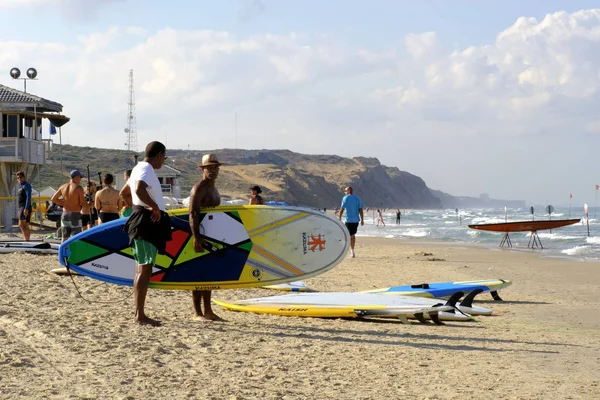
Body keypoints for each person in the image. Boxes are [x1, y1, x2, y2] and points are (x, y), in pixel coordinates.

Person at [124, 141, 171, 326]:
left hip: (141, 220)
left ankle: (139, 313)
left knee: (142, 268)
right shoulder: (146, 168)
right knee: (144, 268)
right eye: (164, 157)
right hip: (146, 223)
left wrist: (136, 208)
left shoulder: (137, 168)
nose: (163, 161)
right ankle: (140, 315)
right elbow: (137, 189)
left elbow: (124, 193)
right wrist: (154, 208)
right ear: (159, 154)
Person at [189, 153, 223, 320]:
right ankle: (197, 312)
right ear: (202, 169)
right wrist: (196, 237)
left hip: (211, 235)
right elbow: (193, 212)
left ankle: (208, 311)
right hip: (199, 233)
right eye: (209, 167)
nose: (213, 170)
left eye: (215, 167)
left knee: (208, 273)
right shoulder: (200, 187)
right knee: (198, 272)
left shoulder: (213, 188)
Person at [51, 170, 86, 243]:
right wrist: (89, 205)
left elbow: (53, 199)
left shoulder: (63, 187)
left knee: (64, 238)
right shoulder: (79, 188)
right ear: (75, 177)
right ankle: (75, 253)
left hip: (65, 214)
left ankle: (63, 253)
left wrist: (64, 203)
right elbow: (82, 203)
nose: (80, 179)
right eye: (80, 177)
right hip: (75, 214)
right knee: (76, 238)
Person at [338, 186, 364, 258]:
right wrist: (362, 220)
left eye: (345, 191)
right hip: (356, 221)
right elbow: (360, 209)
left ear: (349, 191)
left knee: (346, 235)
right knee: (352, 235)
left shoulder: (345, 198)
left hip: (348, 220)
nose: (345, 192)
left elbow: (342, 209)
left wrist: (339, 217)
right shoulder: (357, 198)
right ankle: (352, 251)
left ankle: (346, 250)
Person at [15, 171, 32, 241]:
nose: (19, 179)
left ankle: (27, 240)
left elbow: (29, 196)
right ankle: (26, 239)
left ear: (24, 177)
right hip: (21, 207)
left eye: (21, 177)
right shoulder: (22, 186)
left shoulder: (26, 185)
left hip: (24, 207)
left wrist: (26, 208)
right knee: (22, 225)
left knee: (23, 225)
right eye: (18, 178)